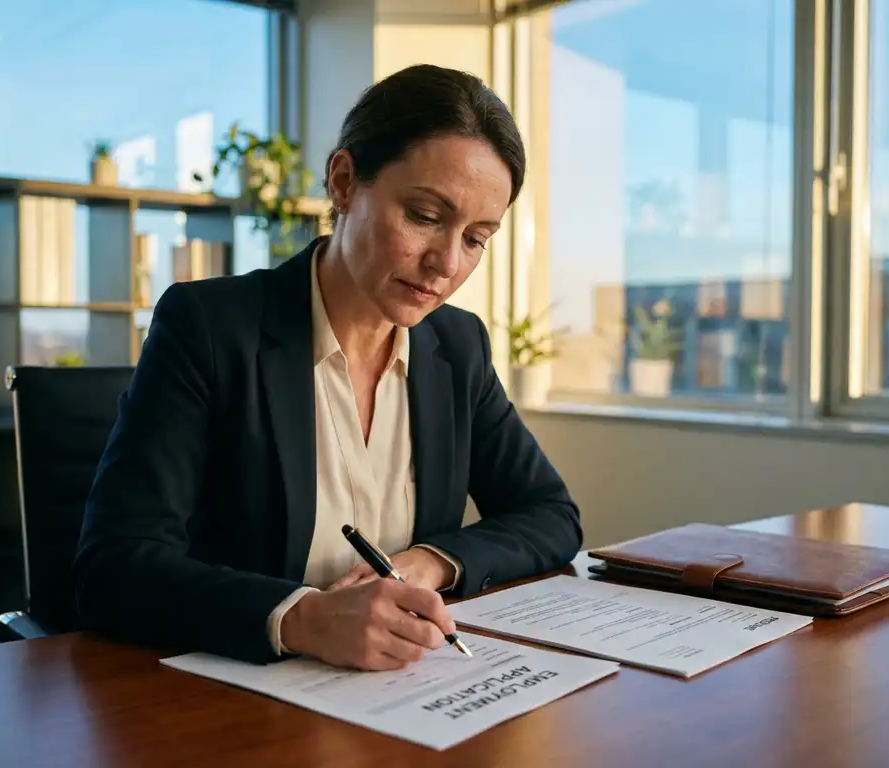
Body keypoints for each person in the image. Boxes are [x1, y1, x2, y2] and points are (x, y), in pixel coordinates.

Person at [72, 63, 582, 672]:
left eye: (475, 237)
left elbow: (551, 515)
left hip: (400, 698)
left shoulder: (457, 346)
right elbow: (113, 565)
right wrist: (303, 618)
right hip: (232, 698)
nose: (446, 263)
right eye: (424, 216)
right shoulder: (210, 327)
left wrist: (428, 561)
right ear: (343, 182)